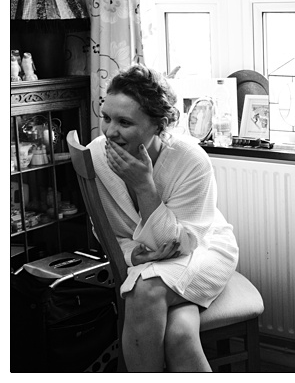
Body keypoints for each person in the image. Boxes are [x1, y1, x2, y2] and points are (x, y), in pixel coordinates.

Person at [90, 65, 239, 371]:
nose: (109, 132)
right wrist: (135, 254)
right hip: (150, 263)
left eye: (125, 122)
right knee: (180, 335)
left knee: (145, 290)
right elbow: (102, 229)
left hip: (203, 250)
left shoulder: (190, 160)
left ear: (159, 124)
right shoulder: (96, 157)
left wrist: (145, 185)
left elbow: (181, 244)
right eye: (105, 118)